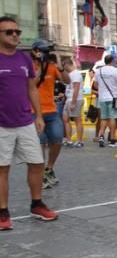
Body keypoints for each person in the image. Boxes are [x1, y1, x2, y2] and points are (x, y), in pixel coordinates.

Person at [0, 16, 58, 229]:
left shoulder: (24, 59)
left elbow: (32, 88)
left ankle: (37, 204)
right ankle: (3, 212)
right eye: (9, 32)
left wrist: (39, 115)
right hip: (1, 124)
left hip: (25, 120)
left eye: (17, 31)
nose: (15, 35)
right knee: (2, 168)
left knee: (36, 163)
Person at [32, 42, 67, 189]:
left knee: (57, 140)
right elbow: (32, 84)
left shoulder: (52, 67)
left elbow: (67, 80)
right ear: (35, 51)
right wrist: (40, 65)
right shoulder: (29, 67)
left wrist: (59, 63)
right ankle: (40, 176)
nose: (44, 53)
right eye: (41, 51)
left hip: (51, 110)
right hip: (34, 112)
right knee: (40, 144)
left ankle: (49, 169)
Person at [93, 54, 117, 148]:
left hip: (102, 98)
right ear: (112, 61)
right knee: (112, 117)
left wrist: (102, 89)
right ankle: (112, 139)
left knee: (104, 118)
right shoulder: (116, 70)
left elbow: (95, 84)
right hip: (113, 98)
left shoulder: (98, 71)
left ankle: (101, 136)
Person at [63, 56, 84, 147]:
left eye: (63, 65)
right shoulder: (70, 74)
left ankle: (79, 141)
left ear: (67, 64)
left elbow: (76, 88)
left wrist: (73, 102)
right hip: (69, 99)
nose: (63, 67)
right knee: (65, 119)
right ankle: (68, 140)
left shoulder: (76, 74)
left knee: (77, 120)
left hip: (75, 99)